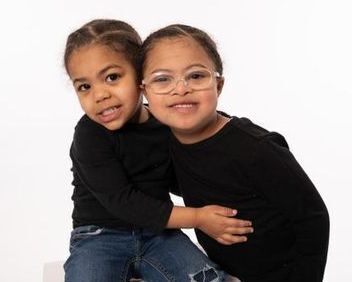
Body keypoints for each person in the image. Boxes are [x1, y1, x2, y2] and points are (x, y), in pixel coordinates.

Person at [63, 19, 253, 282]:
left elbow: (183, 174)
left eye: (112, 77)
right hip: (99, 236)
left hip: (159, 236)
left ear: (142, 79)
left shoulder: (166, 123)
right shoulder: (90, 134)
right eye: (84, 86)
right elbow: (124, 202)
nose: (99, 95)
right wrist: (198, 217)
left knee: (208, 279)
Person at [140, 24, 330, 282]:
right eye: (163, 79)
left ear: (218, 85)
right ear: (144, 92)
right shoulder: (163, 142)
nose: (181, 88)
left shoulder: (255, 148)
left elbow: (312, 217)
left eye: (196, 76)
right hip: (225, 274)